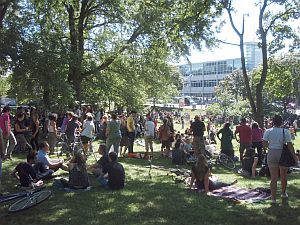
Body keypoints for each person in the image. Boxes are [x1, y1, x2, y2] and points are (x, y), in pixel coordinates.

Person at [262, 115, 298, 204]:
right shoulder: (285, 131)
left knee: (273, 178)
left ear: (273, 122)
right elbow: (289, 145)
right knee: (283, 175)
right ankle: (283, 193)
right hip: (282, 153)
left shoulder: (268, 131)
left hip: (271, 153)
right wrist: (294, 157)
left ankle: (273, 199)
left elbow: (264, 144)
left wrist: (266, 150)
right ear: (281, 122)